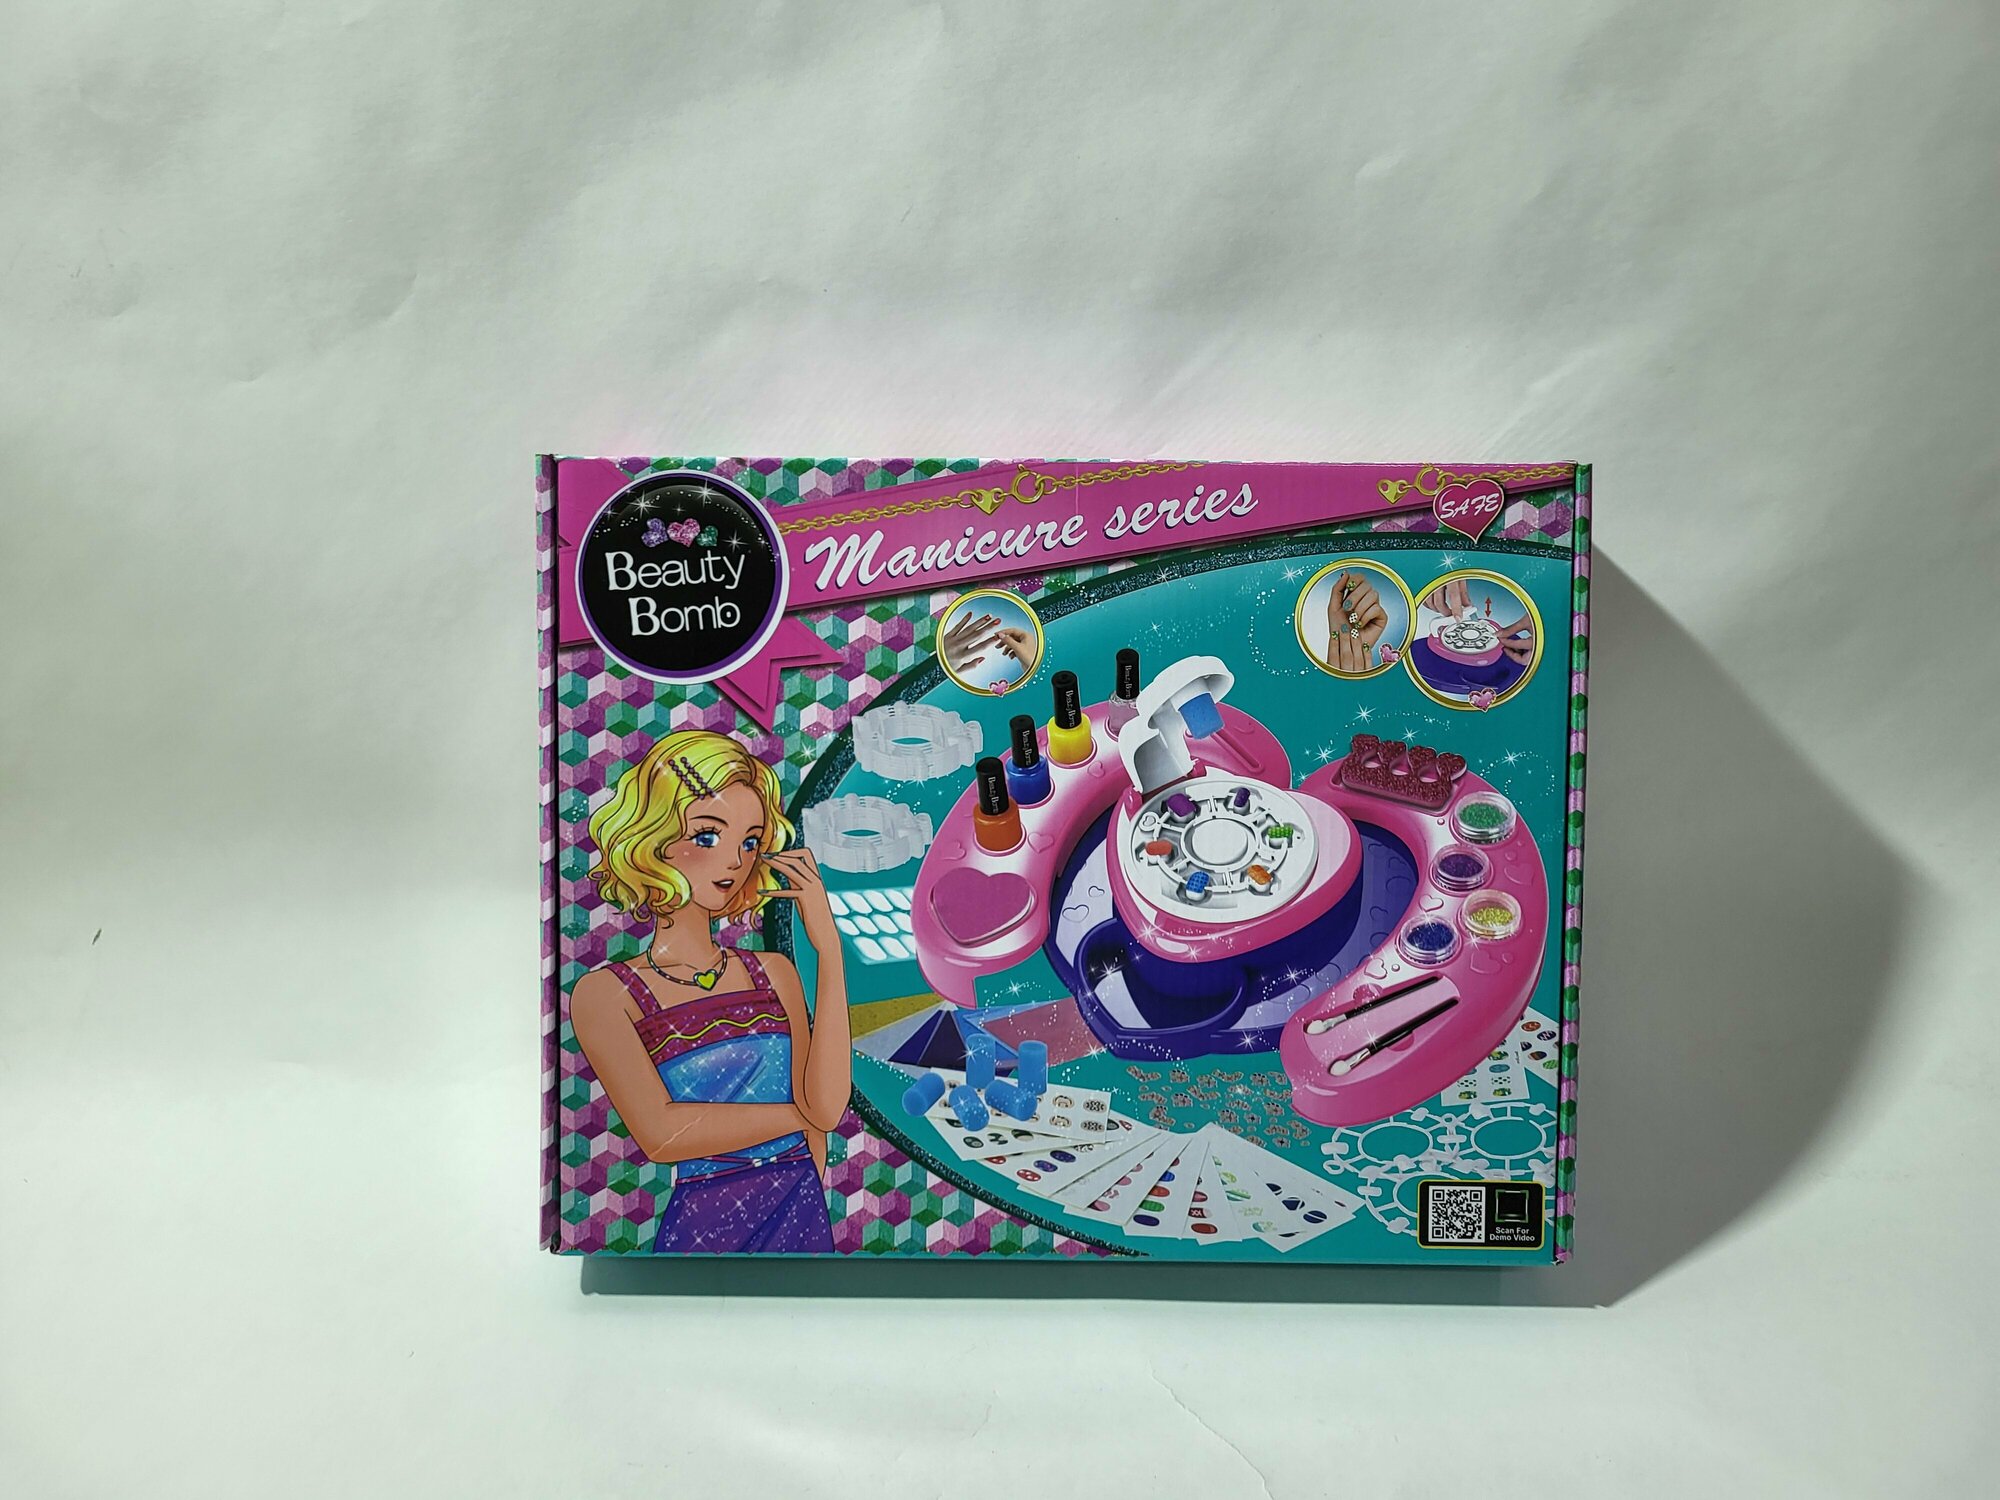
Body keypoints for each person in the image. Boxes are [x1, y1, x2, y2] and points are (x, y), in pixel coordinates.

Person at [568, 730, 849, 1253]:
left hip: (803, 1208)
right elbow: (661, 1134)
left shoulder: (773, 972)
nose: (735, 861)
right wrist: (801, 1114)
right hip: (703, 1221)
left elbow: (827, 1112)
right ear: (653, 840)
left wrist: (828, 949)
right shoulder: (605, 994)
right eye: (706, 837)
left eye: (750, 842)